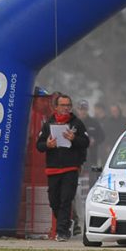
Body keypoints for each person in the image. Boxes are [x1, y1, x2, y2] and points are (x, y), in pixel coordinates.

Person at [35, 94, 90, 241]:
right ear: (56, 107)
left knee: (66, 199)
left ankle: (62, 231)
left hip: (70, 168)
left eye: (68, 105)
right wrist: (47, 145)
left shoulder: (77, 123)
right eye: (63, 105)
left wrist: (74, 139)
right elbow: (39, 145)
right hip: (53, 168)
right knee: (54, 201)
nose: (66, 108)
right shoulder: (48, 124)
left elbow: (86, 142)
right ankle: (65, 222)